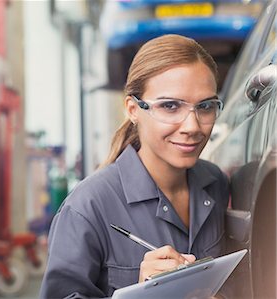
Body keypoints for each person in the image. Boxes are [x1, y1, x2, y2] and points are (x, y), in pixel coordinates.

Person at [39, 34, 229, 299]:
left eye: (205, 106)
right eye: (170, 106)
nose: (192, 126)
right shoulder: (87, 208)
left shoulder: (216, 184)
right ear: (132, 109)